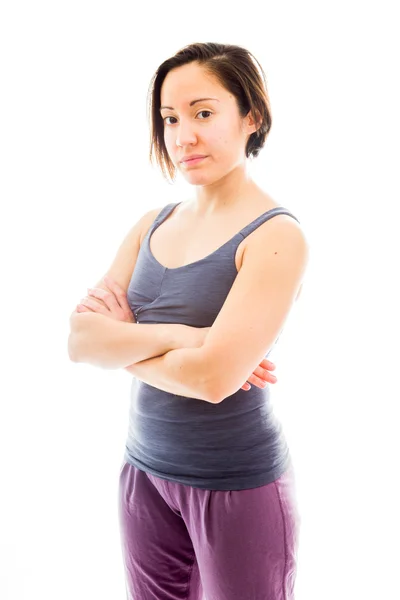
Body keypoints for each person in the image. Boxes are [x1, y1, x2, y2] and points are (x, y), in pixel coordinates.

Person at [78, 42, 309, 600]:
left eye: (203, 113)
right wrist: (184, 338)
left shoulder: (276, 236)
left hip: (236, 485)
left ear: (250, 115)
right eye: (170, 118)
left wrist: (119, 346)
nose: (183, 136)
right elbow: (80, 339)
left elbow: (213, 381)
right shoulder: (149, 223)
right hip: (143, 471)